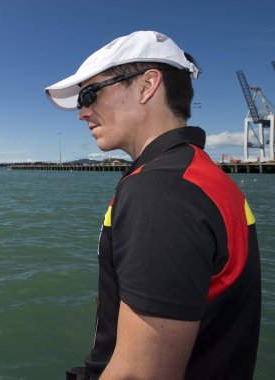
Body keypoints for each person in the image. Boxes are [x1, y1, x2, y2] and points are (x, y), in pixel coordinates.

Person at [45, 31, 261, 379]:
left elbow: (140, 374)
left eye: (90, 95)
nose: (82, 113)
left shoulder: (160, 192)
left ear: (147, 86)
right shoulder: (198, 175)